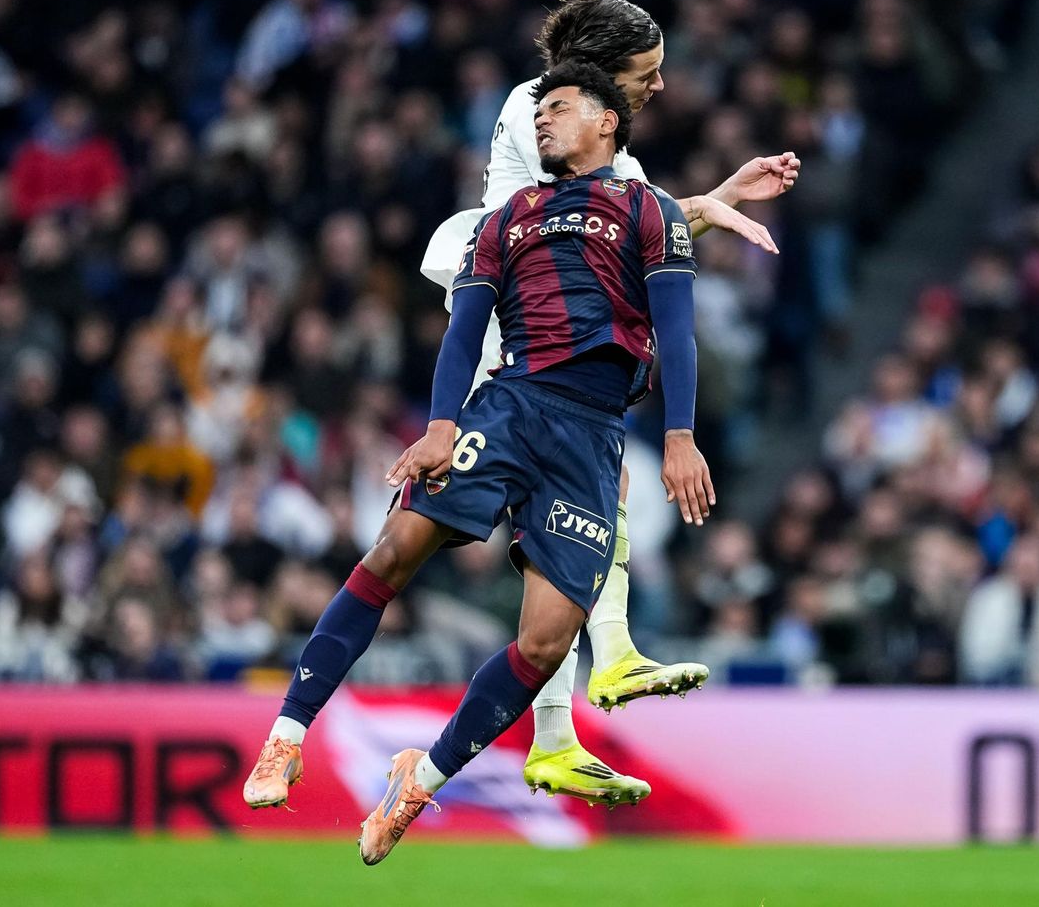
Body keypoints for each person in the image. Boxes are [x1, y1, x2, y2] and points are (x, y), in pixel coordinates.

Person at [241, 63, 709, 865]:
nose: (542, 121)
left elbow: (678, 324)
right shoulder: (507, 219)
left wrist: (679, 435)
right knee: (392, 551)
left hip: (592, 438)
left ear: (608, 121)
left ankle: (418, 780)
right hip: (509, 406)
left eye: (558, 108)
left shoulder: (648, 210)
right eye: (538, 111)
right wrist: (437, 425)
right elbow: (464, 332)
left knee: (545, 644)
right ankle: (285, 735)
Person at [419, 0, 799, 803]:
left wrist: (720, 197)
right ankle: (610, 657)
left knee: (586, 496)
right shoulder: (547, 112)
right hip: (517, 315)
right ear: (602, 77)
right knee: (579, 491)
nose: (660, 88)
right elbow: (617, 220)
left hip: (527, 312)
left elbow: (642, 218)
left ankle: (560, 727)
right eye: (647, 73)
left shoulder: (590, 138)